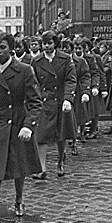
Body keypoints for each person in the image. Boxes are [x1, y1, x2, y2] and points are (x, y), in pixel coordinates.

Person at [0, 32, 43, 223]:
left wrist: (28, 125)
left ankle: (19, 197)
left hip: (17, 122)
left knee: (18, 165)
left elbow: (35, 102)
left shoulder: (24, 70)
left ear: (11, 49)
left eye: (3, 47)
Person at [30, 31, 77, 177]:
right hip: (44, 102)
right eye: (44, 43)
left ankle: (60, 161)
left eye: (49, 43)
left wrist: (68, 99)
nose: (46, 46)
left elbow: (70, 79)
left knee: (60, 134)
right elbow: (32, 82)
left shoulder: (65, 59)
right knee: (41, 135)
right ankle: (41, 168)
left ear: (55, 44)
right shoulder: (36, 61)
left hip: (60, 100)